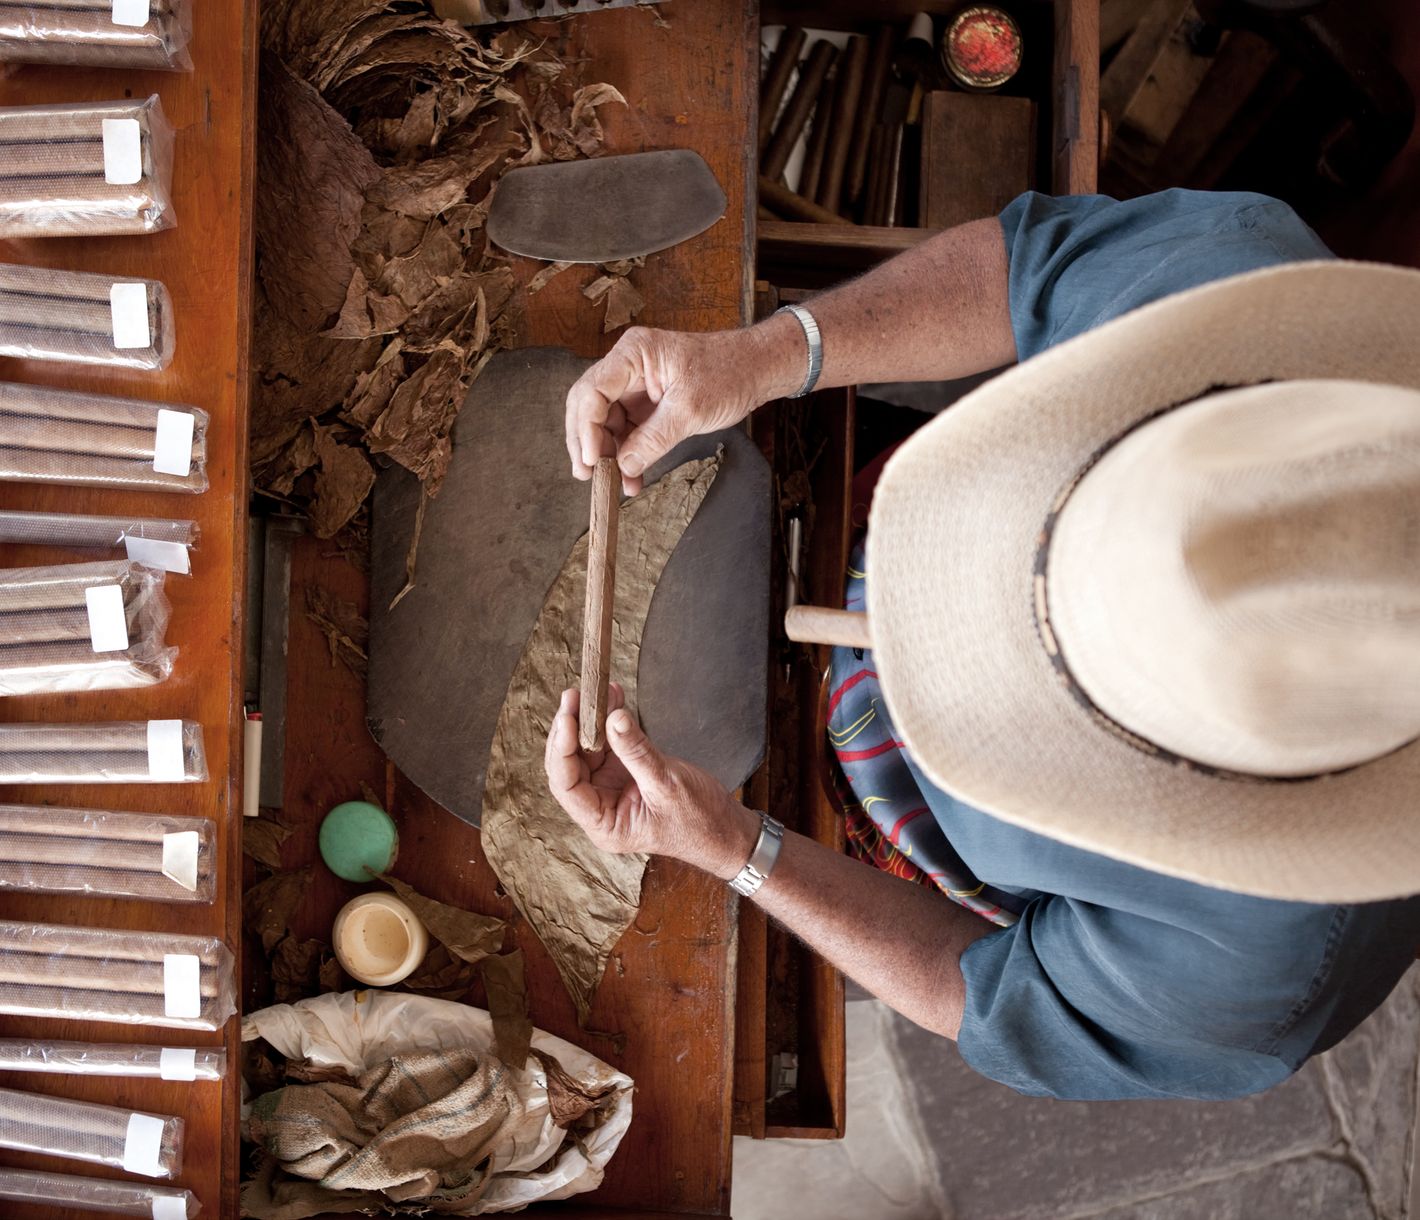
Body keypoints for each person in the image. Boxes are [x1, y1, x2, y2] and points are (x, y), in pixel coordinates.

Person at [543, 189, 1420, 1101]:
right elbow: (1029, 274)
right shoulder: (1247, 300)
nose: (944, 636)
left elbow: (988, 990)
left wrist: (733, 844)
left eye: (1041, 681)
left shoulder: (1252, 977)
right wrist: (760, 356)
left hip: (908, 832)